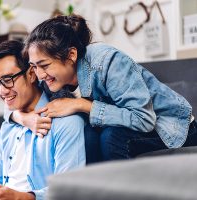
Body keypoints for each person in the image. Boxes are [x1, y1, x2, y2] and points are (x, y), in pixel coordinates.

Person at [10, 14, 197, 161]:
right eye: (34, 66)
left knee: (111, 137)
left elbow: (144, 119)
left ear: (71, 55)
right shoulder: (49, 78)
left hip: (172, 127)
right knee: (87, 136)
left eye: (44, 65)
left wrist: (82, 105)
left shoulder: (107, 61)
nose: (40, 75)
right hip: (133, 125)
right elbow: (12, 98)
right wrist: (23, 118)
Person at [0, 40, 86, 200]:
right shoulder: (10, 124)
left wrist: (19, 197)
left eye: (8, 79)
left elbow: (69, 191)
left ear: (31, 74)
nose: (2, 91)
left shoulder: (66, 123)